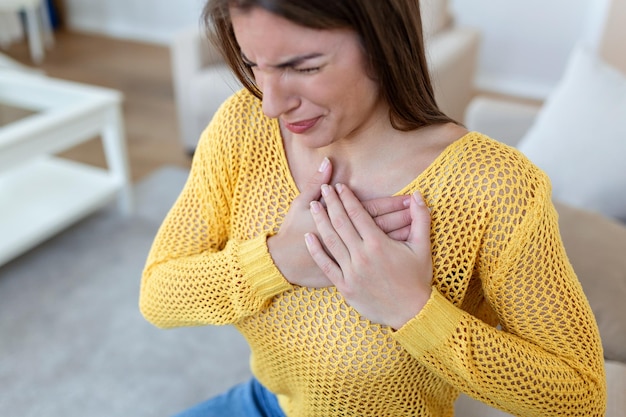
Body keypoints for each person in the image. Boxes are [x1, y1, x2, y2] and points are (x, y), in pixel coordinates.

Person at [139, 0, 607, 415]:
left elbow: (580, 399)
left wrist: (413, 310)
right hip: (264, 403)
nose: (271, 103)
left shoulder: (495, 188)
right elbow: (158, 294)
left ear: (383, 41)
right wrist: (278, 260)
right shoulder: (243, 126)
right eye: (252, 63)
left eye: (302, 67)